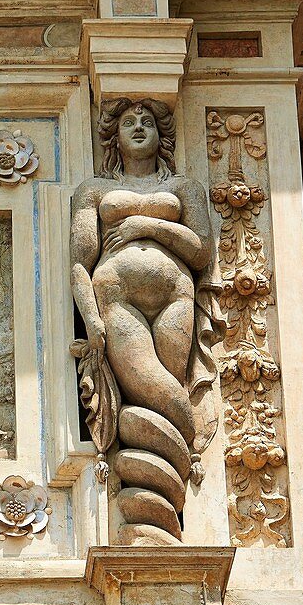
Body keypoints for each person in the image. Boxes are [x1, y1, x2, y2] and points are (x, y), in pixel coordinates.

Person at [70, 97, 221, 544]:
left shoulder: (185, 187)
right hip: (117, 297)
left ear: (162, 134)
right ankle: (147, 534)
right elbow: (81, 262)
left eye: (147, 121)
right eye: (129, 122)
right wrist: (91, 319)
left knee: (167, 394)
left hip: (176, 295)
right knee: (151, 388)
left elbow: (200, 251)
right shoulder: (93, 191)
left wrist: (146, 226)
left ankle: (167, 518)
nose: (138, 127)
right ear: (113, 137)